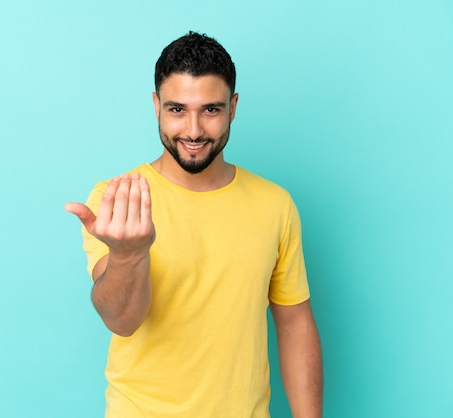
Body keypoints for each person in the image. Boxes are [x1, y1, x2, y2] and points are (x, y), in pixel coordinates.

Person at [65, 31, 323, 418]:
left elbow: (295, 324)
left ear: (233, 107)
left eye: (211, 110)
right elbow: (121, 321)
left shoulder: (275, 204)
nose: (193, 131)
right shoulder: (118, 199)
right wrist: (129, 254)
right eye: (177, 109)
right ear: (156, 106)